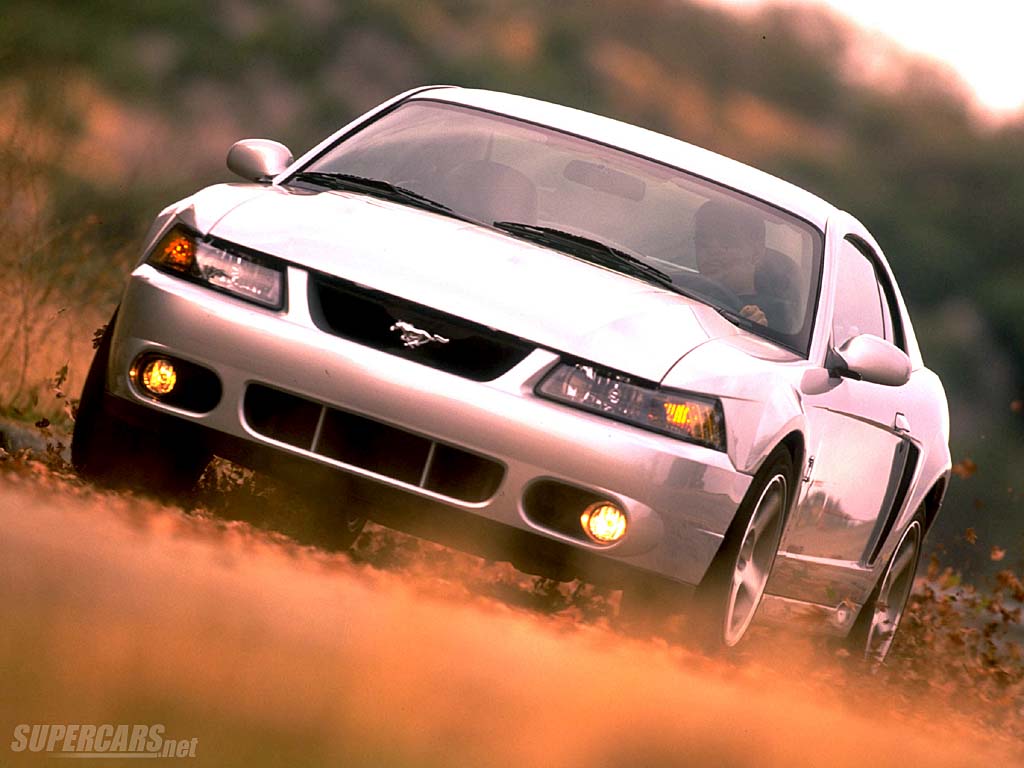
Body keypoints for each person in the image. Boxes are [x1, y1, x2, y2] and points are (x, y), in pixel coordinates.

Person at [693, 200, 797, 330]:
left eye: (727, 241)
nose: (712, 250)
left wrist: (756, 330)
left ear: (756, 253)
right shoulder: (680, 288)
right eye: (703, 243)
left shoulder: (780, 316)